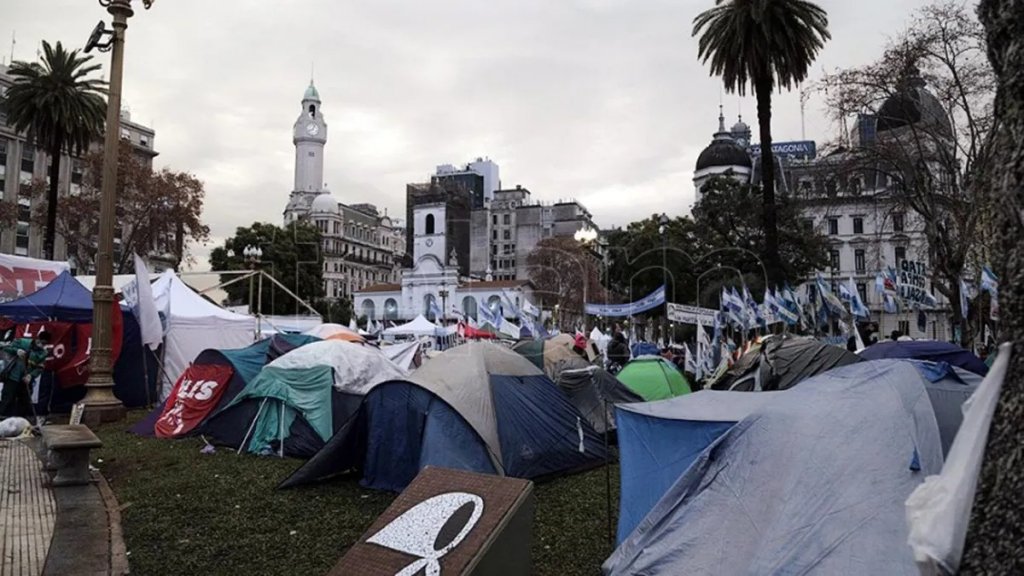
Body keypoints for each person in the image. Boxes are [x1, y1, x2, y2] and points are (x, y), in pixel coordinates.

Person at [0, 331, 49, 418]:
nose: (40, 344)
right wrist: (16, 351)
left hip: (26, 380)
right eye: (40, 341)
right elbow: (5, 347)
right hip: (13, 377)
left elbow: (40, 368)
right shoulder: (22, 342)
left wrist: (31, 375)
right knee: (7, 400)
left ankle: (21, 421)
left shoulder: (43, 353)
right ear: (37, 338)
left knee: (24, 403)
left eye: (44, 343)